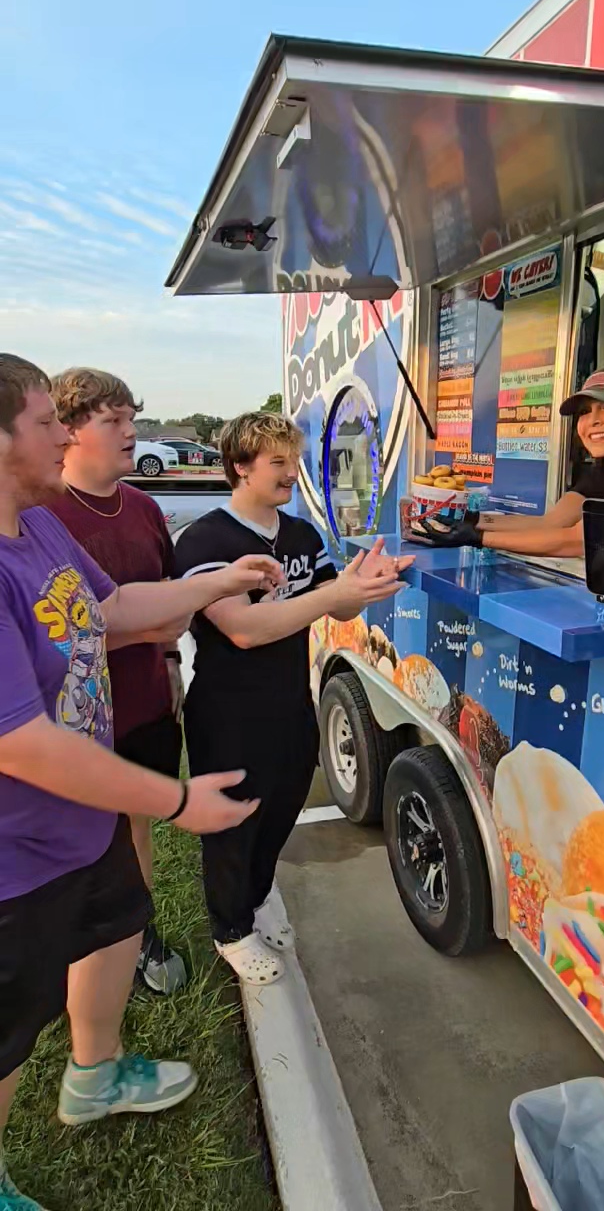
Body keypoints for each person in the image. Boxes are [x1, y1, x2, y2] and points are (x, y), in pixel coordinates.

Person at [0, 354, 283, 1211]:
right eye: (48, 421)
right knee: (7, 1040)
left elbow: (113, 608)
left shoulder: (38, 523)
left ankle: (95, 1075)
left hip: (81, 826)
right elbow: (22, 743)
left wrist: (213, 586)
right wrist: (174, 799)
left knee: (117, 933)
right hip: (18, 856)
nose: (66, 434)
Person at [174, 411, 412, 985]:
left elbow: (339, 607)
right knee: (234, 823)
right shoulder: (206, 538)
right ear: (240, 467)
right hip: (228, 711)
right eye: (277, 462)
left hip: (290, 702)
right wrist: (335, 591)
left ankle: (253, 903)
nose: (290, 473)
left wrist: (361, 585)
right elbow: (245, 629)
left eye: (294, 460)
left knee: (282, 807)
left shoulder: (301, 533)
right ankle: (229, 931)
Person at [48, 367, 187, 995]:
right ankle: (83, 957)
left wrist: (169, 662)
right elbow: (59, 637)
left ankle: (139, 934)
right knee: (82, 846)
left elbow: (170, 602)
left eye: (133, 418)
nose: (133, 432)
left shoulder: (146, 506)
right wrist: (143, 626)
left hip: (147, 704)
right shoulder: (39, 515)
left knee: (136, 829)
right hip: (71, 723)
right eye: (114, 421)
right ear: (70, 429)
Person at [422, 366, 604, 559]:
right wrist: (470, 521)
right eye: (585, 411)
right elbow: (551, 523)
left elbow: (581, 540)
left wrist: (478, 538)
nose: (594, 421)